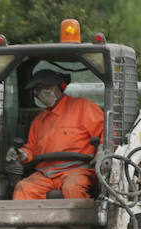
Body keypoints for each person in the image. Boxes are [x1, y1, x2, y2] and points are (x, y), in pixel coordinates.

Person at [9, 69, 105, 200]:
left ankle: (81, 221)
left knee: (72, 187)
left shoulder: (83, 107)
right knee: (23, 188)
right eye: (37, 90)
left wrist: (103, 148)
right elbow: (31, 148)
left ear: (59, 87)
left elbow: (106, 131)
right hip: (46, 174)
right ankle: (25, 221)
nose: (39, 93)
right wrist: (22, 154)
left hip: (78, 170)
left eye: (45, 87)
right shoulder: (39, 121)